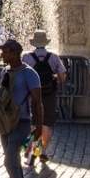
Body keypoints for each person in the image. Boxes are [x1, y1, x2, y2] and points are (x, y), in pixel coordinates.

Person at [0, 38, 43, 178]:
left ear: (14, 53)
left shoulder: (30, 74)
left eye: (5, 51)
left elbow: (38, 103)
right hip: (4, 123)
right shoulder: (4, 71)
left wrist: (38, 128)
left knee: (10, 161)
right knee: (11, 162)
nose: (1, 54)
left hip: (21, 122)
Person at [22, 30, 66, 166]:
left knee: (34, 123)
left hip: (32, 94)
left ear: (34, 43)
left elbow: (21, 75)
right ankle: (41, 151)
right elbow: (62, 77)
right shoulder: (54, 57)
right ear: (45, 43)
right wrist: (54, 79)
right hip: (49, 94)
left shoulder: (26, 57)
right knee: (47, 124)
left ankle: (32, 152)